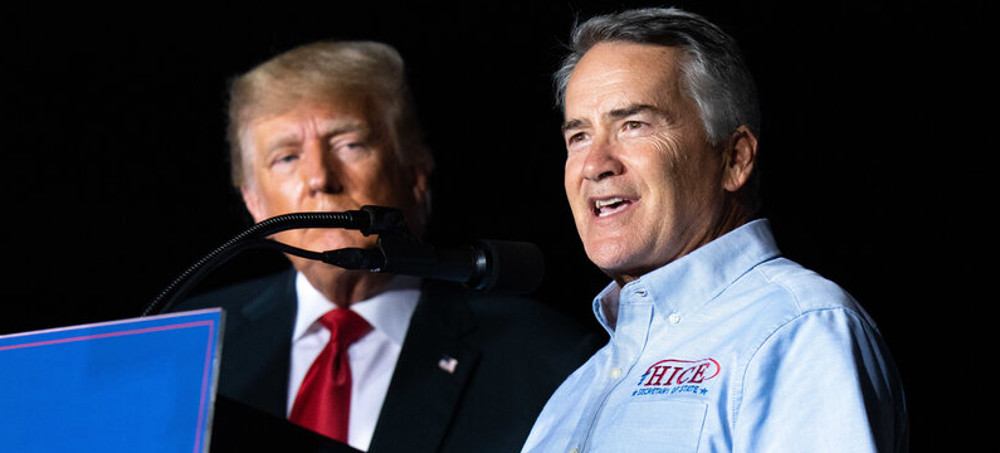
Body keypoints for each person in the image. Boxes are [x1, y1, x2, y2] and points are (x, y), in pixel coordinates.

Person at [170, 40, 599, 453]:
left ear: (414, 173)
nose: (320, 178)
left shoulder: (547, 358)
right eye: (287, 157)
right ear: (254, 201)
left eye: (349, 145)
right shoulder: (184, 346)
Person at [521, 7, 908, 453]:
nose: (594, 165)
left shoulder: (800, 331)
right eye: (579, 136)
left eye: (633, 125)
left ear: (734, 158)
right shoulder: (573, 395)